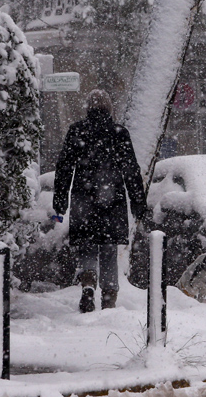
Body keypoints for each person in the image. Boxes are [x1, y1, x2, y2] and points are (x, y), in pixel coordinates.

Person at [53, 89, 147, 313]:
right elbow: (131, 169)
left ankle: (87, 284)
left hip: (83, 198)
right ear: (109, 109)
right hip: (111, 199)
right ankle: (109, 296)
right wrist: (138, 201)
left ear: (88, 108)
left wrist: (60, 199)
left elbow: (64, 167)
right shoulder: (118, 133)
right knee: (108, 249)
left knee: (86, 245)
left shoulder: (77, 131)